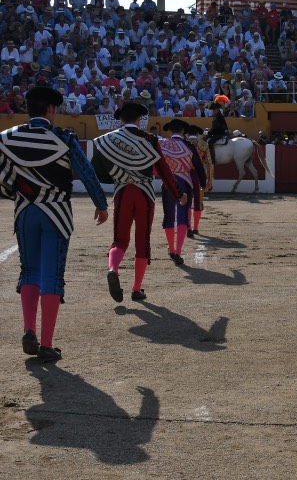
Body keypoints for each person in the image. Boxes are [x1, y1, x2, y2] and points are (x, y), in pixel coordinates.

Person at [0, 87, 108, 363]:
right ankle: (46, 343)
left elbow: (3, 179)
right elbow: (86, 172)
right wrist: (101, 204)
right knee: (52, 275)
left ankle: (28, 330)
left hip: (25, 212)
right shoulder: (63, 138)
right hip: (56, 213)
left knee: (29, 271)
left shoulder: (7, 138)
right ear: (50, 109)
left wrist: (19, 190)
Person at [92, 102, 185, 303]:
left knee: (120, 239)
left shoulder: (109, 139)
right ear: (139, 120)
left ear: (120, 119)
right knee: (142, 241)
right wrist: (178, 193)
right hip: (144, 193)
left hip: (123, 192)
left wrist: (116, 177)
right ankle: (136, 289)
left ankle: (113, 269)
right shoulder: (150, 139)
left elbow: (96, 170)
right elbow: (163, 170)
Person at [159, 119, 208, 264]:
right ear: (183, 131)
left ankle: (171, 249)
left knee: (168, 216)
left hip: (168, 183)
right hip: (185, 183)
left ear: (169, 131)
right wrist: (203, 183)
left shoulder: (162, 144)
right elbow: (199, 166)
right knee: (182, 216)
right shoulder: (189, 145)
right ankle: (178, 252)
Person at [185, 125, 213, 237]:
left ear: (186, 134)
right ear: (197, 134)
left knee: (185, 201)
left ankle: (188, 227)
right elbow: (209, 164)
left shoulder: (182, 143)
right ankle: (195, 228)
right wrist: (210, 179)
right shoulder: (204, 145)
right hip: (198, 175)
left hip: (184, 175)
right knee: (198, 201)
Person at [205, 100, 229, 164]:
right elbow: (214, 127)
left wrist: (209, 133)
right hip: (218, 132)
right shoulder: (217, 116)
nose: (214, 111)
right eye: (213, 110)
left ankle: (212, 159)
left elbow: (216, 128)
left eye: (215, 109)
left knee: (209, 142)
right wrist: (209, 131)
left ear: (218, 109)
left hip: (219, 133)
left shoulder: (219, 117)